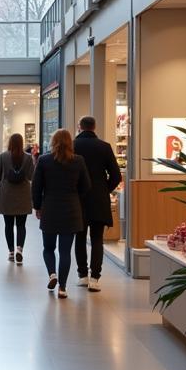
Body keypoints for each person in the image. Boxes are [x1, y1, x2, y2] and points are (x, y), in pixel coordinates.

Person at [32, 129, 91, 299]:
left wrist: (37, 206)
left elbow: (36, 187)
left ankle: (52, 274)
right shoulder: (78, 161)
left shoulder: (44, 160)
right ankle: (62, 288)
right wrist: (75, 196)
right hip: (71, 209)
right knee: (65, 251)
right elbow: (86, 186)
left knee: (48, 248)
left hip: (49, 208)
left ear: (53, 142)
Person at [74, 115, 123, 291]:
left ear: (79, 127)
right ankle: (95, 278)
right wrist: (105, 189)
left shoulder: (72, 146)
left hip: (77, 199)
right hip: (98, 199)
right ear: (94, 127)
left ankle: (82, 276)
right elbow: (116, 175)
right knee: (97, 239)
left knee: (79, 238)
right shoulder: (104, 147)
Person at [0, 132, 35, 263]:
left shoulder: (3, 156)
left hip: (7, 194)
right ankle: (19, 249)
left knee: (8, 224)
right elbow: (31, 176)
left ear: (9, 142)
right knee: (21, 225)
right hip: (23, 194)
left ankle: (11, 251)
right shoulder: (28, 158)